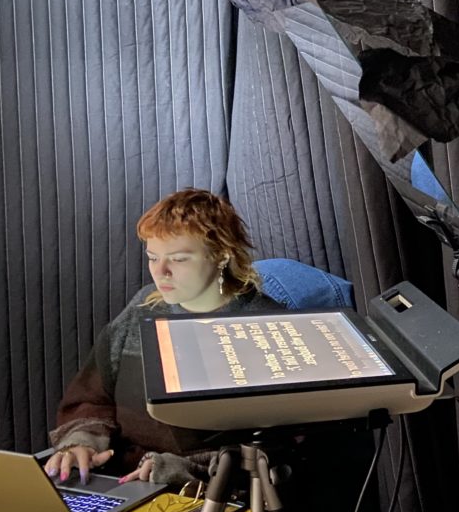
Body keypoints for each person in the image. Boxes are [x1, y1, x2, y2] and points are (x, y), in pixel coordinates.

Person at [45, 188, 282, 486]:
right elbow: (91, 397)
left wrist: (187, 469)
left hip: (213, 498)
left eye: (179, 259)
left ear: (221, 256)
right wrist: (81, 442)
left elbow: (278, 445)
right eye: (153, 257)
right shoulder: (143, 308)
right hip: (120, 480)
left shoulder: (268, 326)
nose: (161, 272)